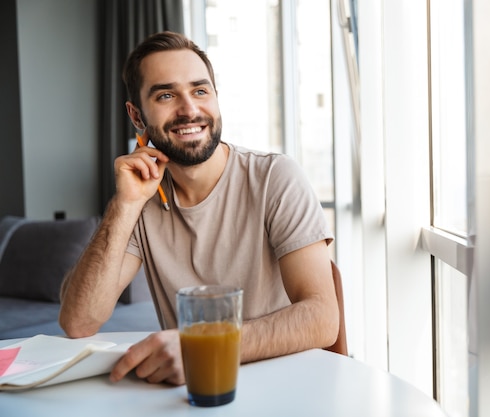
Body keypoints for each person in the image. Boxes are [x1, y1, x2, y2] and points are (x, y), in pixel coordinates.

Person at [58, 31, 339, 386]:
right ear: (136, 116)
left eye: (200, 91)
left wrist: (203, 347)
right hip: (197, 395)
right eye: (166, 95)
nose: (189, 109)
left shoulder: (274, 177)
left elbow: (323, 318)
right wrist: (125, 204)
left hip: (285, 385)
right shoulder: (140, 199)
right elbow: (79, 322)